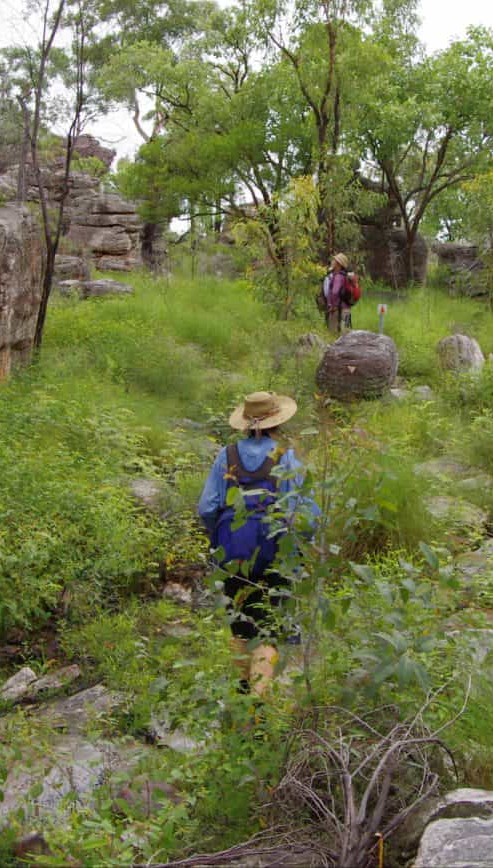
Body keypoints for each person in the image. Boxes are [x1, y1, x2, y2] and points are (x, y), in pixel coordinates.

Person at [196, 391, 316, 697]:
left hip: (233, 554)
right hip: (275, 554)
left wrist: (220, 539)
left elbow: (207, 508)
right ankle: (258, 711)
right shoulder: (286, 457)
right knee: (268, 629)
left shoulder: (227, 456)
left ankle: (241, 699)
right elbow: (306, 517)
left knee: (240, 625)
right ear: (278, 421)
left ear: (246, 422)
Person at [321, 252, 357, 334]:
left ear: (338, 264)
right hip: (347, 310)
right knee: (347, 332)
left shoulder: (337, 277)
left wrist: (331, 306)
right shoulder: (347, 276)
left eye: (334, 260)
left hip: (337, 309)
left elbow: (334, 292)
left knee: (333, 334)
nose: (333, 262)